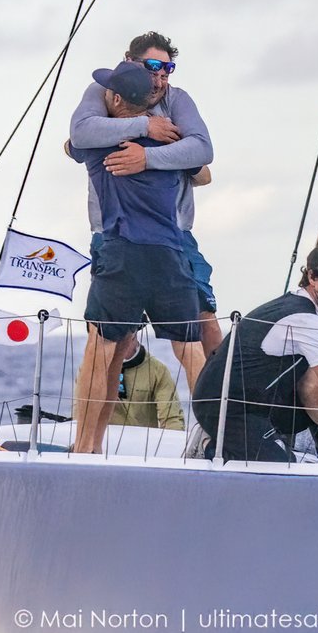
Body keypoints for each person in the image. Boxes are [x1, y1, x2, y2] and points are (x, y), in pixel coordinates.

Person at [68, 62, 204, 453]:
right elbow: (203, 166)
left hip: (121, 253)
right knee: (191, 351)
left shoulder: (96, 143)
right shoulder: (173, 144)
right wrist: (154, 141)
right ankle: (224, 440)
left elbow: (74, 138)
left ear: (113, 99)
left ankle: (85, 448)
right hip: (169, 255)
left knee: (102, 354)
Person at [69, 31, 221, 359]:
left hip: (174, 234)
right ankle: (100, 411)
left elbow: (203, 151)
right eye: (154, 66)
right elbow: (78, 136)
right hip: (112, 233)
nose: (161, 77)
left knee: (204, 321)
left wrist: (147, 158)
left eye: (168, 69)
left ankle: (226, 407)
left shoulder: (178, 100)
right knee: (110, 340)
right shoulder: (103, 91)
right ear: (129, 60)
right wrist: (145, 127)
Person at [192, 244, 318, 463]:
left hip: (255, 402)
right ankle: (211, 447)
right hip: (225, 407)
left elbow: (310, 385)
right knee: (282, 467)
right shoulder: (305, 319)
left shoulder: (305, 310)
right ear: (312, 277)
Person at [73, 335, 185, 431]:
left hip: (141, 450)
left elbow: (172, 420)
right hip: (100, 445)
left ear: (134, 333)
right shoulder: (89, 368)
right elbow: (79, 415)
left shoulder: (158, 370)